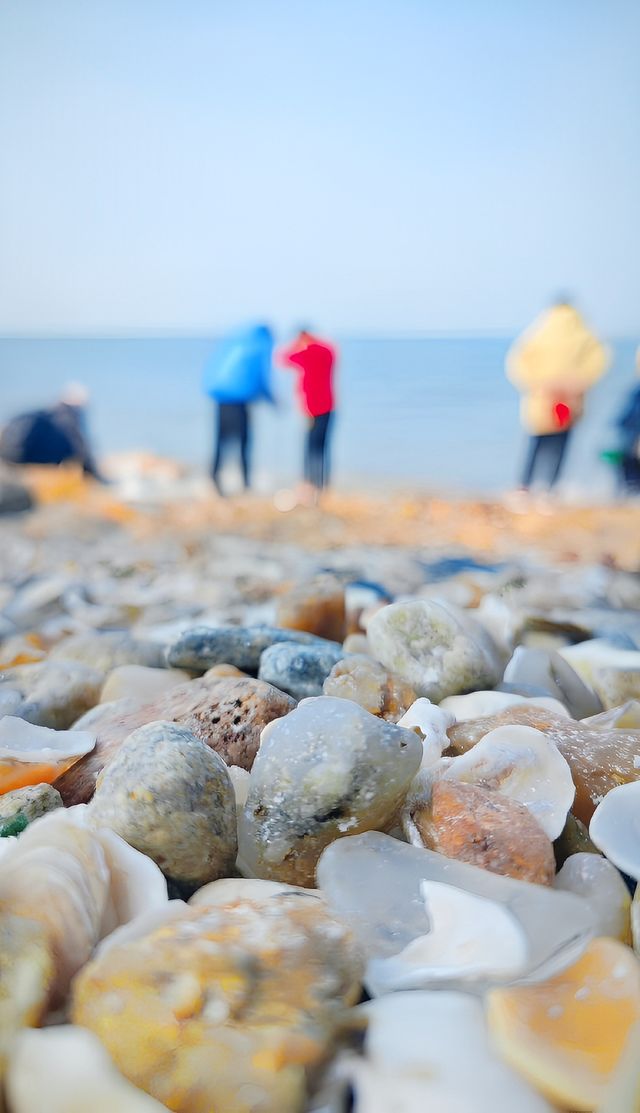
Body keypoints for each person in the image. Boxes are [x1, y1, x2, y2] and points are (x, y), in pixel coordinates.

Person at [506, 297, 609, 491]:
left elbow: (518, 363)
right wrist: (577, 383)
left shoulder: (538, 331)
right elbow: (599, 361)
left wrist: (539, 384)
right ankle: (551, 488)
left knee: (536, 444)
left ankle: (524, 486)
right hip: (570, 399)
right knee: (561, 445)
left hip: (543, 398)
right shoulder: (585, 333)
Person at [202, 324, 274, 495]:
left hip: (221, 400)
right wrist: (272, 401)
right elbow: (260, 379)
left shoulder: (236, 344)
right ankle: (245, 483)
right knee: (243, 442)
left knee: (221, 441)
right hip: (239, 403)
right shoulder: (258, 347)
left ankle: (214, 477)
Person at [277, 327, 337, 501]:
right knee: (323, 448)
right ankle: (323, 486)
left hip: (312, 408)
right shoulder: (326, 351)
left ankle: (310, 485)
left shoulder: (307, 354)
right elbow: (333, 352)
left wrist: (298, 343)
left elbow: (283, 359)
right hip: (329, 406)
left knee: (311, 448)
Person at [0, 383, 103, 478]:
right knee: (69, 448)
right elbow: (80, 446)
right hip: (25, 456)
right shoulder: (68, 416)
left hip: (9, 455)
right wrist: (94, 474)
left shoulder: (45, 413)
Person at [614, 346, 640, 494]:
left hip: (632, 436)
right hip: (631, 435)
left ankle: (630, 491)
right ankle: (630, 492)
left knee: (629, 464)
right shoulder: (637, 390)